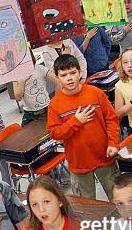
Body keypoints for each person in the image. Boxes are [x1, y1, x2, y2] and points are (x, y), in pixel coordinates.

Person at [47, 54, 121, 201]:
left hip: (104, 155)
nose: (69, 78)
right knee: (87, 204)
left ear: (80, 72)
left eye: (73, 73)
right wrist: (76, 121)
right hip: (78, 162)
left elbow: (111, 119)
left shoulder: (96, 93)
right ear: (57, 77)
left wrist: (113, 142)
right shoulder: (55, 104)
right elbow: (55, 133)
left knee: (117, 198)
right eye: (64, 75)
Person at [13, 51, 55, 126]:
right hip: (30, 113)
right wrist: (22, 83)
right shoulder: (16, 74)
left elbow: (57, 80)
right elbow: (18, 97)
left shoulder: (38, 68)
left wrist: (56, 100)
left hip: (47, 109)